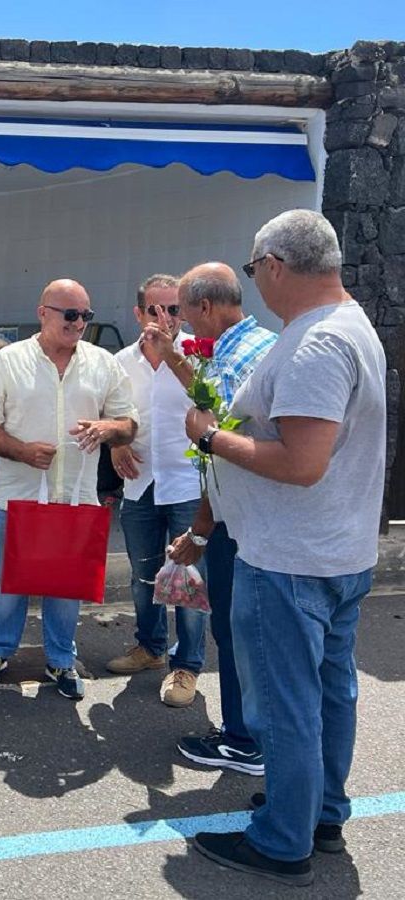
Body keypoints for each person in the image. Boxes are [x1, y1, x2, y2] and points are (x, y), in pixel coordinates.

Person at [189, 211, 386, 885]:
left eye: (252, 271)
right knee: (329, 692)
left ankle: (282, 839)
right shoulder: (346, 327)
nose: (255, 284)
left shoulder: (314, 343)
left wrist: (212, 437)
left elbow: (302, 462)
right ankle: (318, 811)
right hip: (335, 551)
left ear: (274, 265)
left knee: (287, 703)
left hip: (290, 558)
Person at [0, 279, 137, 701]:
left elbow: (129, 423)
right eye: (70, 315)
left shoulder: (103, 363)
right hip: (20, 493)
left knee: (67, 585)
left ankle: (62, 657)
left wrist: (107, 428)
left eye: (86, 316)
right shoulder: (9, 361)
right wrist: (22, 451)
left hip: (78, 495)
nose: (79, 323)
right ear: (43, 313)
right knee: (8, 582)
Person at [149, 262, 276, 776]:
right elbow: (206, 394)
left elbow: (220, 448)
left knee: (236, 627)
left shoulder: (244, 359)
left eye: (182, 310)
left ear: (205, 307)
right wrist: (172, 357)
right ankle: (247, 733)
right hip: (244, 517)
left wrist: (200, 530)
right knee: (237, 626)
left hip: (240, 521)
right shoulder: (248, 347)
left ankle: (246, 738)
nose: (181, 321)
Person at [105, 275, 207, 708]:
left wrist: (173, 356)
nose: (164, 318)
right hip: (140, 482)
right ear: (138, 313)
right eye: (155, 310)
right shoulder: (120, 362)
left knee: (188, 578)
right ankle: (150, 647)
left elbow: (210, 402)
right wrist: (117, 443)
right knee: (143, 574)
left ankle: (187, 666)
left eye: (173, 310)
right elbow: (108, 412)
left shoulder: (199, 355)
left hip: (185, 483)